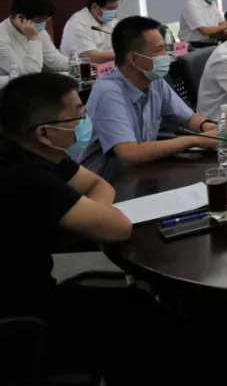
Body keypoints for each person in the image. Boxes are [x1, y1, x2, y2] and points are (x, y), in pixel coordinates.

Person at [0, 73, 199, 386]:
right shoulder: (27, 177)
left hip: (32, 291)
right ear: (45, 132)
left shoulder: (32, 151)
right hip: (24, 316)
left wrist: (89, 213)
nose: (85, 120)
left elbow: (99, 184)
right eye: (77, 114)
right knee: (140, 322)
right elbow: (118, 229)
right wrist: (94, 217)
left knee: (140, 307)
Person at [80, 16, 218, 180]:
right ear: (133, 58)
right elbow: (129, 154)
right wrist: (195, 140)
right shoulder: (108, 92)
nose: (166, 56)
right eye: (159, 51)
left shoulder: (153, 80)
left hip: (140, 172)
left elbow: (187, 117)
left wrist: (208, 127)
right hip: (104, 181)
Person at [0, 0, 68, 80]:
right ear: (20, 18)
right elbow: (29, 75)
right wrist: (33, 39)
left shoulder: (38, 30)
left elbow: (53, 60)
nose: (43, 24)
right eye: (40, 20)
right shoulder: (2, 38)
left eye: (46, 20)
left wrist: (80, 65)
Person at [60, 0, 122, 64]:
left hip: (105, 67)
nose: (113, 12)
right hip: (79, 69)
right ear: (94, 7)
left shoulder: (112, 21)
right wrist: (122, 53)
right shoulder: (78, 23)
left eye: (115, 9)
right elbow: (91, 57)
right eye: (110, 9)